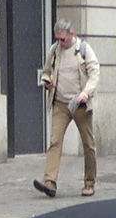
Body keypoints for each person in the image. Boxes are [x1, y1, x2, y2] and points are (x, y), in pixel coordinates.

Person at [34, 20, 103, 199]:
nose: (60, 42)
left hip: (80, 104)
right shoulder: (54, 50)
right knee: (55, 142)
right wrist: (46, 81)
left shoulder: (84, 50)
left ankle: (89, 183)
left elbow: (95, 73)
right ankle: (49, 181)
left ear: (72, 34)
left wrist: (86, 92)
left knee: (88, 144)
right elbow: (46, 71)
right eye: (57, 39)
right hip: (60, 103)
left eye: (63, 39)